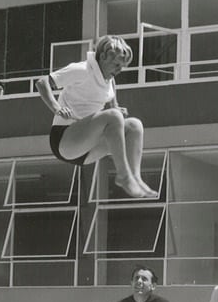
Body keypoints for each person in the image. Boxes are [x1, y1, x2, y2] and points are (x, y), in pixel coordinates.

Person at [36, 35, 156, 199]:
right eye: (116, 65)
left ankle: (135, 177)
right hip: (65, 140)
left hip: (87, 151)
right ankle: (124, 175)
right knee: (113, 116)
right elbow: (42, 82)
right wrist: (57, 108)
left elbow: (112, 102)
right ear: (103, 56)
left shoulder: (110, 80)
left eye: (122, 66)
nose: (119, 70)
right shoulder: (82, 70)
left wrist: (116, 108)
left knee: (135, 125)